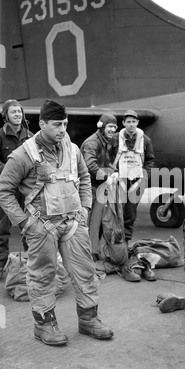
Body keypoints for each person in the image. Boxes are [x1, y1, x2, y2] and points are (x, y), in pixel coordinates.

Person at [0, 99, 113, 346]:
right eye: (57, 124)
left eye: (65, 124)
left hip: (73, 223)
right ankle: (44, 325)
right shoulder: (23, 154)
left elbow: (84, 177)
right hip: (41, 227)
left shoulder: (72, 149)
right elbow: (4, 189)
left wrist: (85, 208)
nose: (63, 129)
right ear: (42, 124)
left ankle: (89, 320)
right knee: (42, 276)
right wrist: (24, 222)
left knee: (86, 272)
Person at [80, 113, 131, 278]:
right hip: (89, 189)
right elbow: (90, 165)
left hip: (100, 188)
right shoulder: (91, 143)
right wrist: (106, 176)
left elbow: (105, 162)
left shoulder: (106, 142)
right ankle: (85, 257)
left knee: (99, 224)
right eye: (110, 126)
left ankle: (94, 253)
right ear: (101, 126)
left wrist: (114, 172)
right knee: (88, 224)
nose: (113, 129)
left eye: (115, 127)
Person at [109, 110, 155, 282]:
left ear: (137, 123)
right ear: (124, 123)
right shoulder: (115, 139)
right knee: (115, 214)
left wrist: (144, 175)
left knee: (130, 214)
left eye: (134, 122)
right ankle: (114, 249)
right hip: (118, 180)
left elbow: (150, 160)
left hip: (135, 181)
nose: (131, 125)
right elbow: (108, 156)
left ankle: (126, 246)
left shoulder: (145, 140)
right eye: (128, 122)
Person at [0, 99, 33, 277]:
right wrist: (9, 172)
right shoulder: (0, 136)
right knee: (2, 228)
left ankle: (33, 262)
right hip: (8, 190)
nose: (18, 114)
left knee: (30, 226)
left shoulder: (31, 137)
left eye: (19, 111)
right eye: (13, 112)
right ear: (6, 116)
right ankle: (1, 265)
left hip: (26, 190)